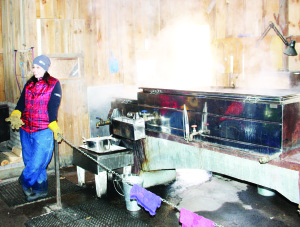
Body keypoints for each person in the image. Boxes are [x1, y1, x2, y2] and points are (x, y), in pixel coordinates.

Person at [5, 55, 63, 202]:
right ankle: (40, 189)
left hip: (43, 130)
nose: (35, 70)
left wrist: (54, 126)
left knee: (39, 162)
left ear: (45, 68)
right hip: (26, 129)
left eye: (38, 67)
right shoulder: (29, 84)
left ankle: (24, 180)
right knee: (29, 160)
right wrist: (16, 114)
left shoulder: (54, 84)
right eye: (33, 67)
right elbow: (20, 104)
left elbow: (53, 107)